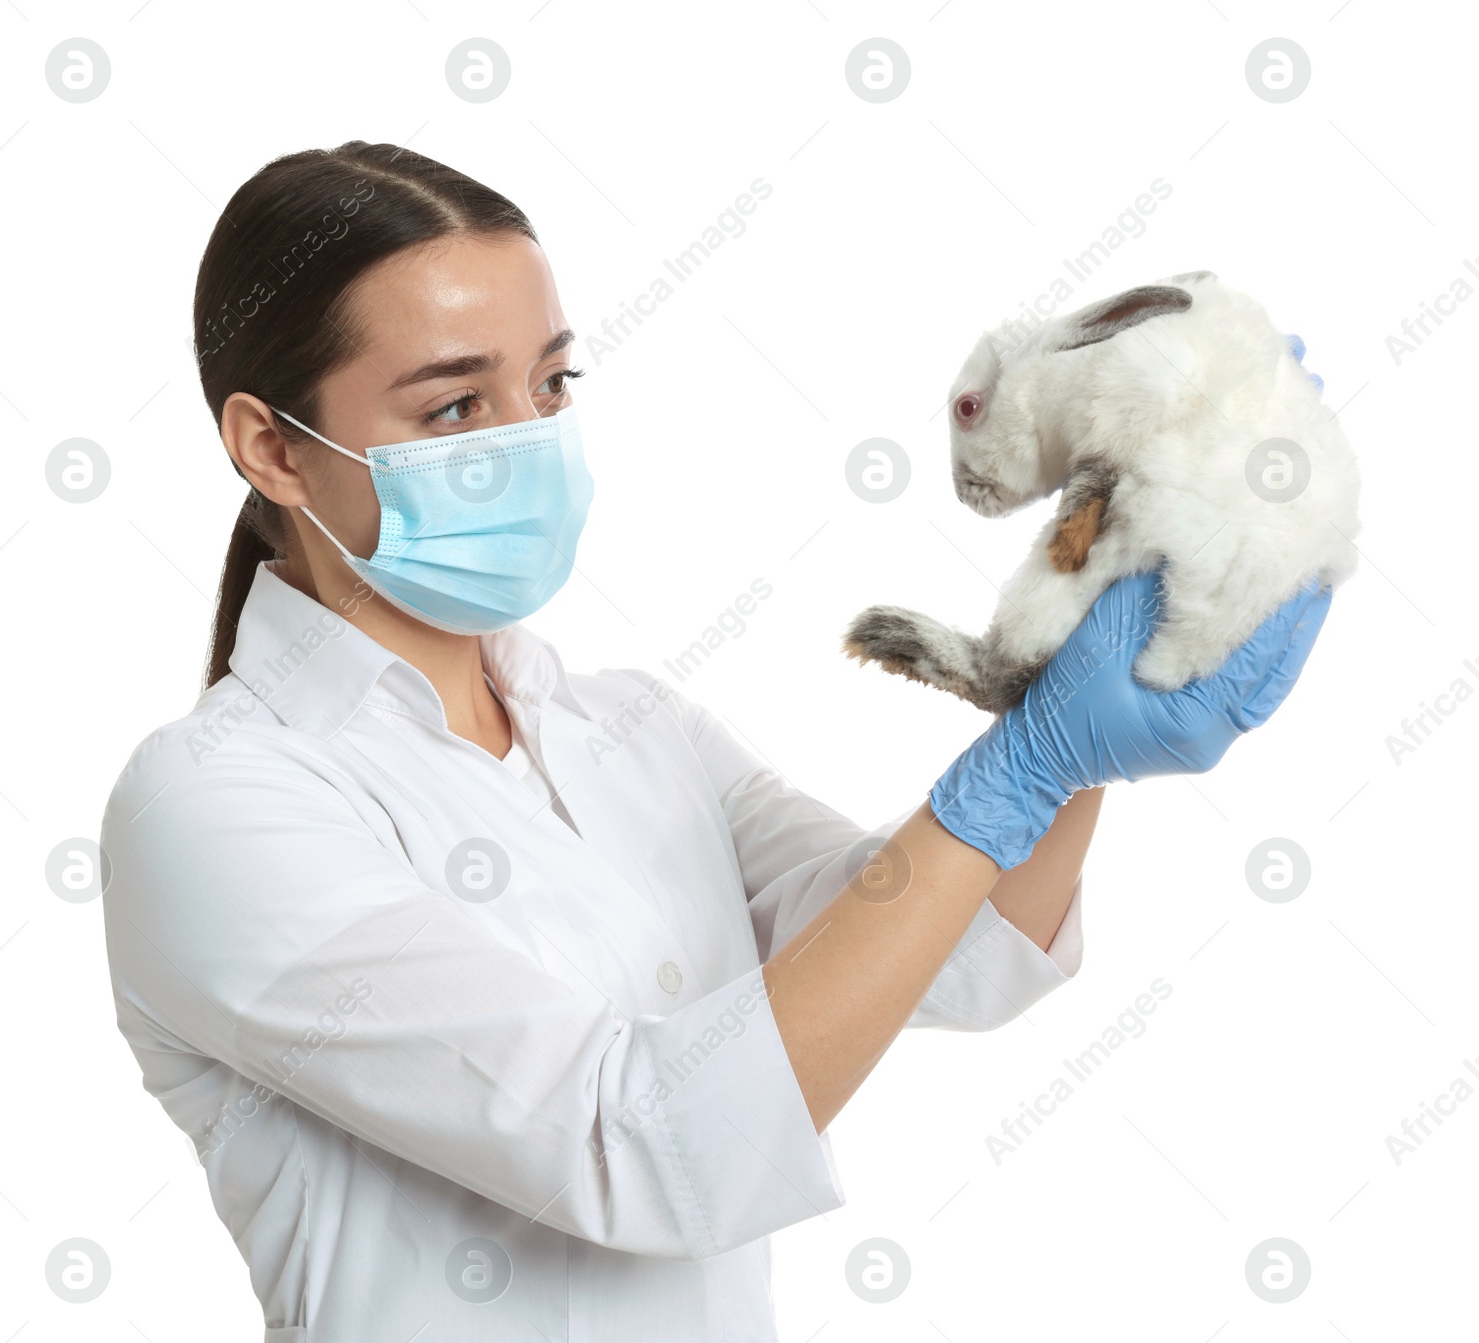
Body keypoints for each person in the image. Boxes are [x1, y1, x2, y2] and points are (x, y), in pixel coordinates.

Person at [98, 141, 1333, 1342]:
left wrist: (1098, 655)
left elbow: (943, 948)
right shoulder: (212, 807)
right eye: (457, 403)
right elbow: (641, 1145)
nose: (530, 436)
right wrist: (1030, 761)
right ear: (271, 446)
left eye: (552, 384)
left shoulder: (631, 727)